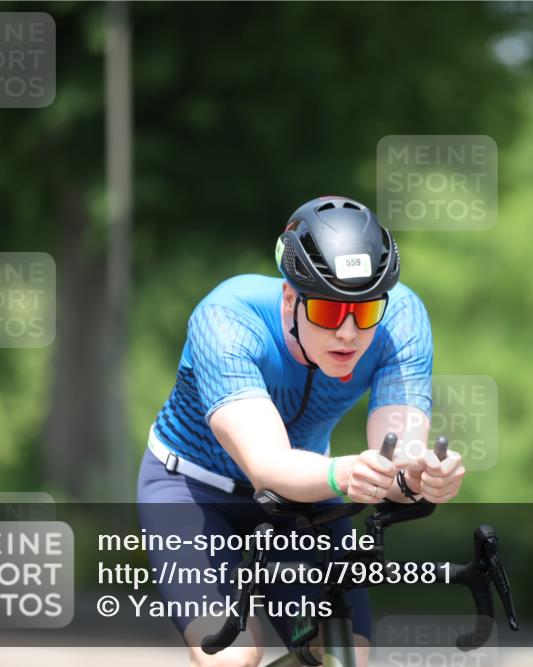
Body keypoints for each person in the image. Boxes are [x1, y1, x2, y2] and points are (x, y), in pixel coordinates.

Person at [136, 196, 466, 667]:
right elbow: (268, 465)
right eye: (330, 313)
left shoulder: (402, 321)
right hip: (193, 490)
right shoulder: (227, 320)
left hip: (306, 494)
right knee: (232, 657)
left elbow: (401, 452)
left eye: (365, 311)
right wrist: (345, 473)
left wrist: (419, 477)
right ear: (290, 298)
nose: (349, 333)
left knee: (340, 657)